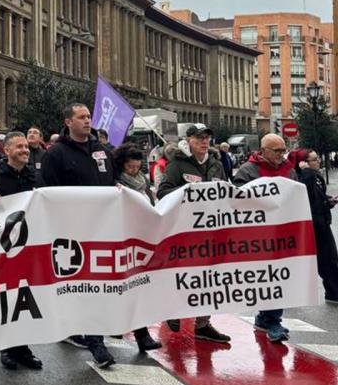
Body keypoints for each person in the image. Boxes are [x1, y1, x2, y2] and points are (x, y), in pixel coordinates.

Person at [40, 104, 117, 368]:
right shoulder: (56, 154)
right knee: (81, 286)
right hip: (72, 234)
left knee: (98, 286)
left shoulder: (103, 152)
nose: (87, 121)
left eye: (89, 117)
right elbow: (46, 192)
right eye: (82, 117)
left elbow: (111, 183)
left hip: (102, 230)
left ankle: (92, 337)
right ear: (68, 122)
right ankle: (90, 339)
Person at [155, 124, 232, 343]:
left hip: (211, 229)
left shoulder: (216, 164)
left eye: (207, 137)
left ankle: (203, 324)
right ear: (188, 140)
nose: (204, 141)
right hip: (184, 230)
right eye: (199, 138)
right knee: (182, 273)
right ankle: (172, 310)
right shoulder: (177, 164)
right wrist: (190, 192)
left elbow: (227, 190)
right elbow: (163, 191)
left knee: (210, 277)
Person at [233, 133, 297, 342]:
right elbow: (238, 200)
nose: (282, 155)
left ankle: (266, 318)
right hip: (259, 236)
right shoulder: (247, 171)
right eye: (277, 151)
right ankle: (272, 321)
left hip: (284, 233)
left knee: (280, 277)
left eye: (283, 150)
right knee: (269, 277)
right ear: (264, 151)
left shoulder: (289, 170)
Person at [0, 131, 45, 370]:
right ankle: (7, 349)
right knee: (7, 298)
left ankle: (23, 348)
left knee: (26, 299)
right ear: (7, 151)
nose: (25, 150)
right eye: (20, 147)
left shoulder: (35, 176)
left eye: (26, 146)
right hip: (4, 247)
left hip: (30, 246)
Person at [111, 143, 162, 351]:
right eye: (129, 167)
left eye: (136, 167)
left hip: (139, 241)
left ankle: (142, 335)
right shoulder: (114, 185)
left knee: (137, 286)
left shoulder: (141, 183)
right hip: (120, 240)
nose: (133, 171)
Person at [298, 150, 338, 306]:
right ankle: (336, 293)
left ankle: (335, 293)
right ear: (304, 162)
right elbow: (305, 195)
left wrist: (329, 202)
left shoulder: (315, 176)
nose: (319, 161)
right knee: (320, 259)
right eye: (315, 159)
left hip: (321, 222)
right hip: (310, 224)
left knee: (329, 258)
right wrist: (306, 172)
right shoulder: (304, 176)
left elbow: (317, 197)